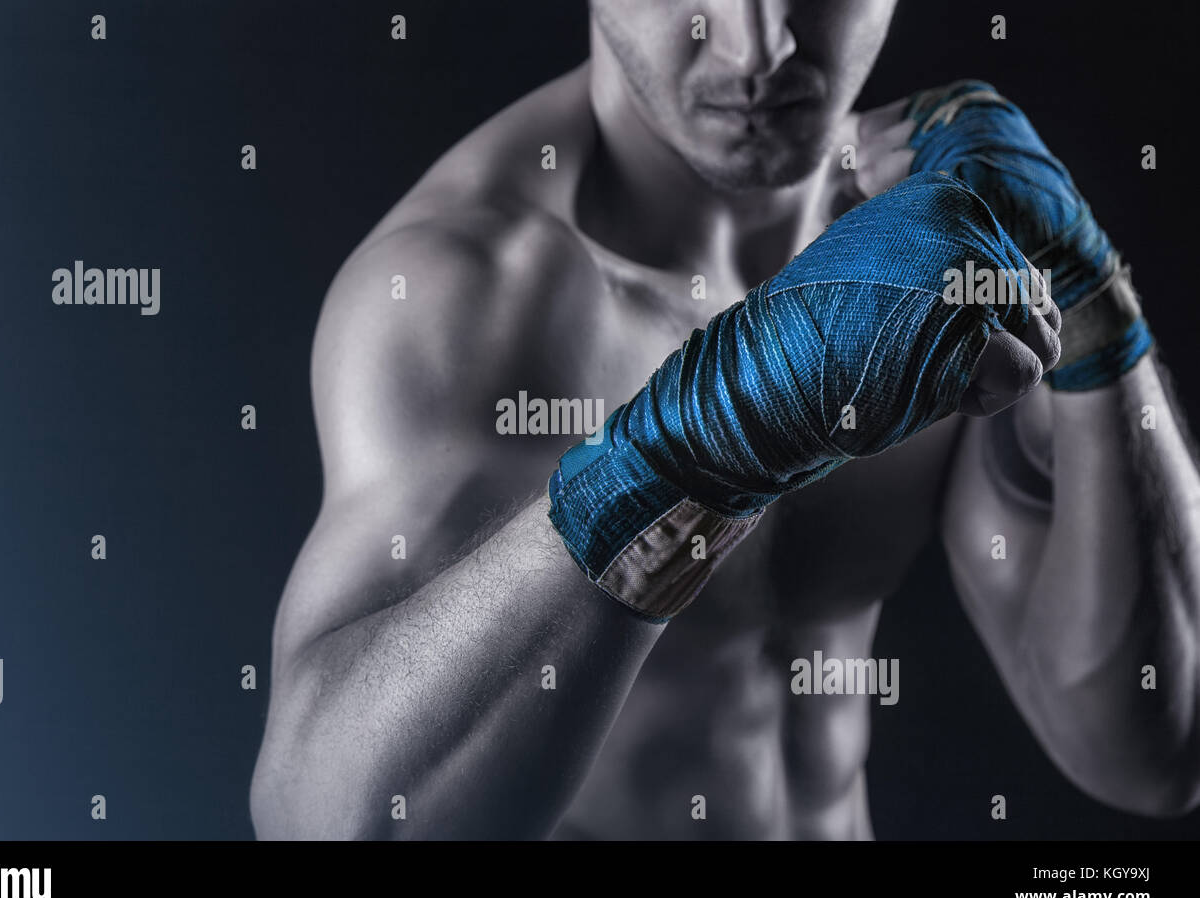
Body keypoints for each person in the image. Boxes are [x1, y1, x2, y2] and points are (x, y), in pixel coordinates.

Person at [250, 0, 1200, 839]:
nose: (761, 45)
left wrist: (1097, 311)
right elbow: (330, 823)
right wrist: (678, 463)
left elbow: (1159, 752)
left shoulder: (941, 236)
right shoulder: (466, 295)